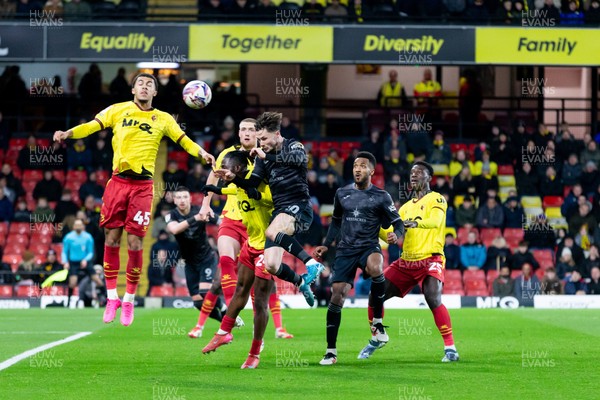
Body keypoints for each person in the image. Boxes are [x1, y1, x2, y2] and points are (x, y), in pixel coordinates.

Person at [53, 73, 215, 326]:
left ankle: (128, 300)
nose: (144, 86)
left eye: (150, 84)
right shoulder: (117, 110)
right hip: (117, 183)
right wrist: (68, 133)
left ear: (155, 93)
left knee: (136, 244)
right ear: (133, 89)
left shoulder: (162, 118)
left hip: (143, 187)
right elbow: (91, 126)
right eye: (140, 83)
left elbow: (183, 141)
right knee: (111, 238)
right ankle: (111, 298)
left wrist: (202, 152)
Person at [213, 112, 324, 304]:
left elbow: (297, 159)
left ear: (277, 134)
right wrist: (235, 180)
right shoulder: (262, 158)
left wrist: (267, 156)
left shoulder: (293, 146)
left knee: (271, 231)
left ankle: (312, 263)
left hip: (300, 207)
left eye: (263, 138)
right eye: (259, 139)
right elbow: (253, 187)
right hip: (280, 212)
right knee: (272, 265)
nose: (261, 142)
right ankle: (301, 282)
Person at [357, 161, 459, 362]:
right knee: (374, 295)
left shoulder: (437, 198)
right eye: (412, 173)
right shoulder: (404, 208)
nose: (414, 175)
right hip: (406, 262)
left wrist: (416, 223)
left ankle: (450, 348)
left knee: (432, 296)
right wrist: (374, 226)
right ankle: (377, 337)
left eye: (419, 172)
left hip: (431, 258)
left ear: (429, 177)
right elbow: (391, 236)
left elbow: (436, 222)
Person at [312, 151, 404, 365]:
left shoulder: (382, 196)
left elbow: (398, 223)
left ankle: (378, 323)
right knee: (337, 296)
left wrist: (396, 235)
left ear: (371, 170)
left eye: (362, 166)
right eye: (355, 165)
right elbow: (335, 222)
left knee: (376, 267)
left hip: (368, 246)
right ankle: (331, 352)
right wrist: (326, 245)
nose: (357, 169)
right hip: (345, 250)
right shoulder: (341, 193)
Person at [201, 151, 290, 368]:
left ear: (238, 169)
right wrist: (212, 190)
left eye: (227, 168)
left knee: (259, 301)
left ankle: (255, 352)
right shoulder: (236, 185)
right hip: (251, 245)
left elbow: (264, 197)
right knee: (240, 289)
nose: (223, 172)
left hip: (267, 249)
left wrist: (243, 187)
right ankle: (222, 332)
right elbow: (229, 189)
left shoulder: (262, 184)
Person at [166, 187, 227, 338]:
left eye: (184, 197)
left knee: (205, 292)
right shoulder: (171, 215)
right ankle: (224, 322)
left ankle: (223, 307)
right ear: (174, 200)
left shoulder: (201, 211)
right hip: (189, 262)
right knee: (198, 303)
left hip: (207, 258)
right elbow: (174, 230)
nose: (182, 200)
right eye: (178, 197)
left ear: (190, 199)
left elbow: (220, 221)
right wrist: (196, 219)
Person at [62, 219, 102, 307]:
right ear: (73, 227)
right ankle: (68, 303)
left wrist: (85, 259)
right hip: (73, 262)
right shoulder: (69, 237)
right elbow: (64, 251)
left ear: (83, 227)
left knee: (98, 280)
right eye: (76, 225)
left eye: (80, 225)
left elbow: (90, 252)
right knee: (72, 283)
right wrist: (65, 262)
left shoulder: (88, 237)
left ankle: (104, 299)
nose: (78, 227)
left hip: (85, 261)